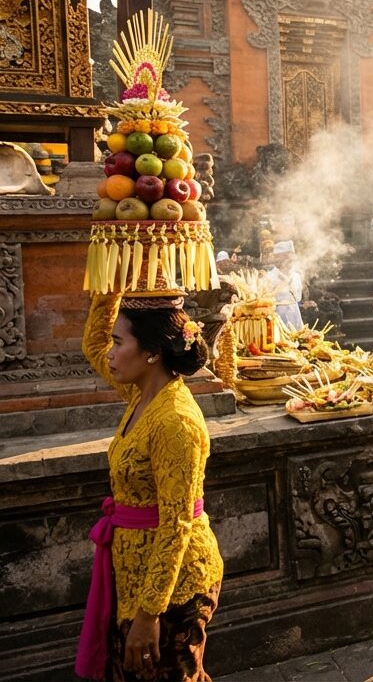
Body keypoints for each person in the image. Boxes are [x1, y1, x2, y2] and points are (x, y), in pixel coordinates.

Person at [77, 291, 223, 681]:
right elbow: (92, 345)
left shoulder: (174, 421)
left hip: (175, 586)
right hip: (133, 571)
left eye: (118, 342)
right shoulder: (143, 394)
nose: (109, 352)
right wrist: (111, 286)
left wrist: (148, 615)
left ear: (152, 353)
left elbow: (176, 524)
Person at [269, 240, 304, 330]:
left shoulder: (296, 276)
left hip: (295, 315)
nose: (289, 261)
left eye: (291, 258)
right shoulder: (269, 276)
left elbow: (298, 298)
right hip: (277, 317)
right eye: (285, 258)